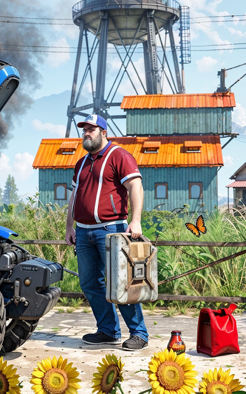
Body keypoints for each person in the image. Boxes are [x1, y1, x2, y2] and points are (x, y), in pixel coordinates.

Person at [64, 114, 149, 351]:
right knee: (90, 283)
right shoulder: (81, 163)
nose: (87, 133)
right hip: (83, 233)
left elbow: (135, 186)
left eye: (92, 129)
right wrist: (69, 227)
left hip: (112, 230)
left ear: (104, 132)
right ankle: (108, 330)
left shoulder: (119, 156)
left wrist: (136, 220)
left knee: (122, 283)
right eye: (84, 130)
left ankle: (139, 333)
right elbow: (74, 197)